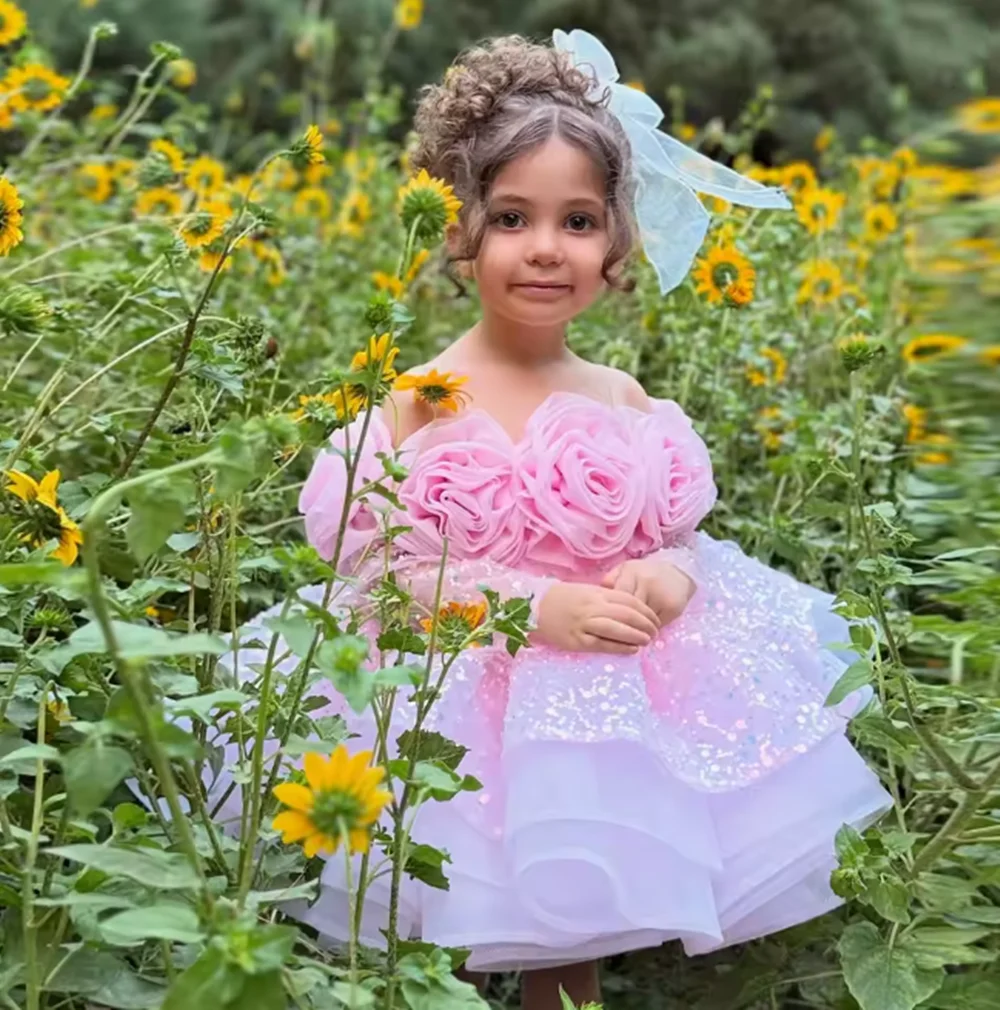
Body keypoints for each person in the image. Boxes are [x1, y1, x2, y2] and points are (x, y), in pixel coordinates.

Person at [225, 29, 892, 1010]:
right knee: (443, 890)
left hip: (604, 711)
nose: (546, 247)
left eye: (578, 219)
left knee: (572, 909)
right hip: (449, 702)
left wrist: (670, 577)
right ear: (458, 225)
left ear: (616, 239)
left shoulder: (621, 396)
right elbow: (378, 581)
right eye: (511, 216)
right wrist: (531, 609)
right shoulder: (419, 402)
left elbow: (674, 536)